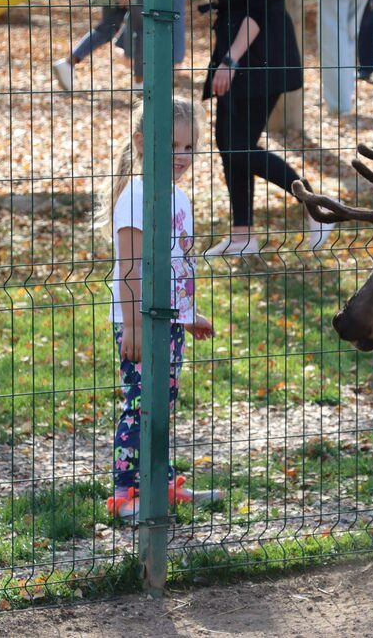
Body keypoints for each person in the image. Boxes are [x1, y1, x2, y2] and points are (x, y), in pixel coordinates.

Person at [96, 95, 220, 520]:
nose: (182, 157)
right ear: (142, 143)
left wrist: (190, 314)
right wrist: (131, 326)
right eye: (173, 147)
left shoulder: (179, 198)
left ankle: (160, 484)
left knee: (162, 402)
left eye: (189, 148)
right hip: (138, 320)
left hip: (168, 320)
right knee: (140, 402)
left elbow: (177, 265)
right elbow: (130, 267)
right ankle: (125, 494)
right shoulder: (136, 195)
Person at [196, 0, 331, 257]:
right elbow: (230, 7)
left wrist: (230, 60)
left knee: (238, 148)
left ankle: (315, 205)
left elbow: (258, 13)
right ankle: (243, 236)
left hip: (261, 58)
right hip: (233, 57)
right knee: (229, 145)